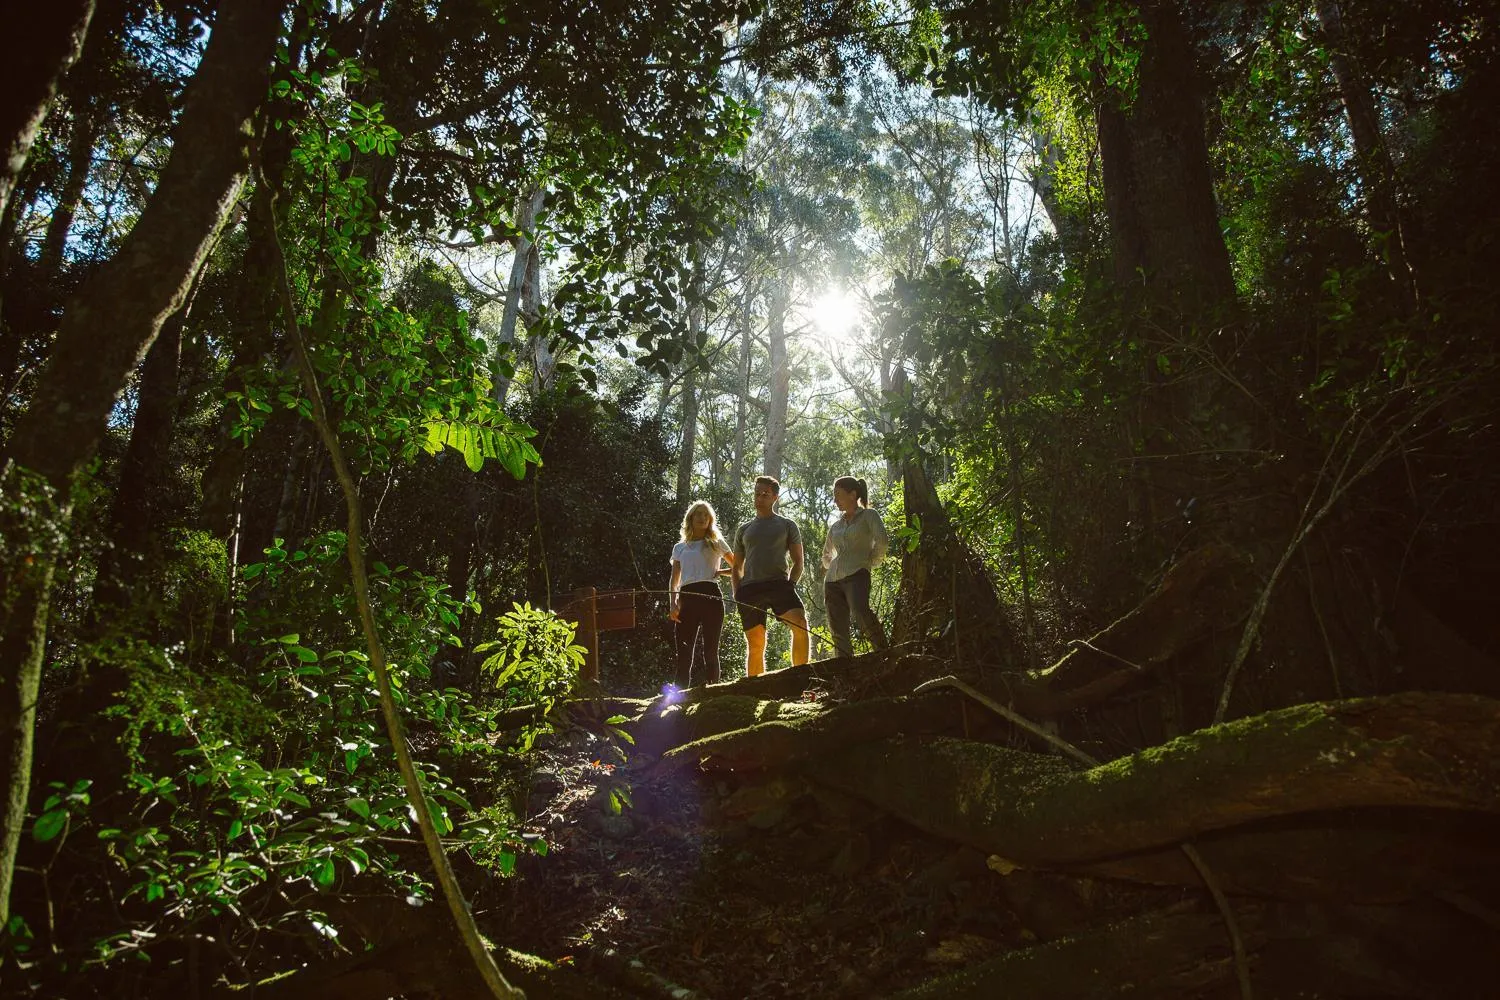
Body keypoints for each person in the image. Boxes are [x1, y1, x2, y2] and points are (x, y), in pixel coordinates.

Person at [731, 475, 809, 675]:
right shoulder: (744, 529)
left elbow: (798, 560)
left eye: (765, 494)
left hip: (779, 585)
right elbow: (736, 566)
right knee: (756, 644)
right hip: (749, 589)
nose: (759, 497)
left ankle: (800, 679)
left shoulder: (787, 525)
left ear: (775, 497)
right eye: (757, 493)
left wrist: (791, 584)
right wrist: (737, 593)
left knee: (800, 625)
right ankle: (755, 692)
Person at [668, 500, 734, 688]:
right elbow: (674, 580)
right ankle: (679, 697)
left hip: (711, 597)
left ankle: (712, 692)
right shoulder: (680, 547)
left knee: (710, 651)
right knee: (684, 651)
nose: (702, 518)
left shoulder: (716, 543)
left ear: (710, 519)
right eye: (698, 514)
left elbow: (738, 568)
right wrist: (673, 603)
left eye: (706, 515)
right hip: (686, 599)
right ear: (691, 518)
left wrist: (720, 572)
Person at [822, 475, 889, 659]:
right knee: (837, 627)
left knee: (861, 612)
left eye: (838, 494)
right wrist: (831, 567)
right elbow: (826, 554)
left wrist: (869, 561)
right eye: (834, 495)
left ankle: (884, 653)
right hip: (832, 581)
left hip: (857, 574)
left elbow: (882, 542)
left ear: (852, 494)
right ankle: (844, 668)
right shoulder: (835, 525)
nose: (835, 500)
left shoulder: (869, 515)